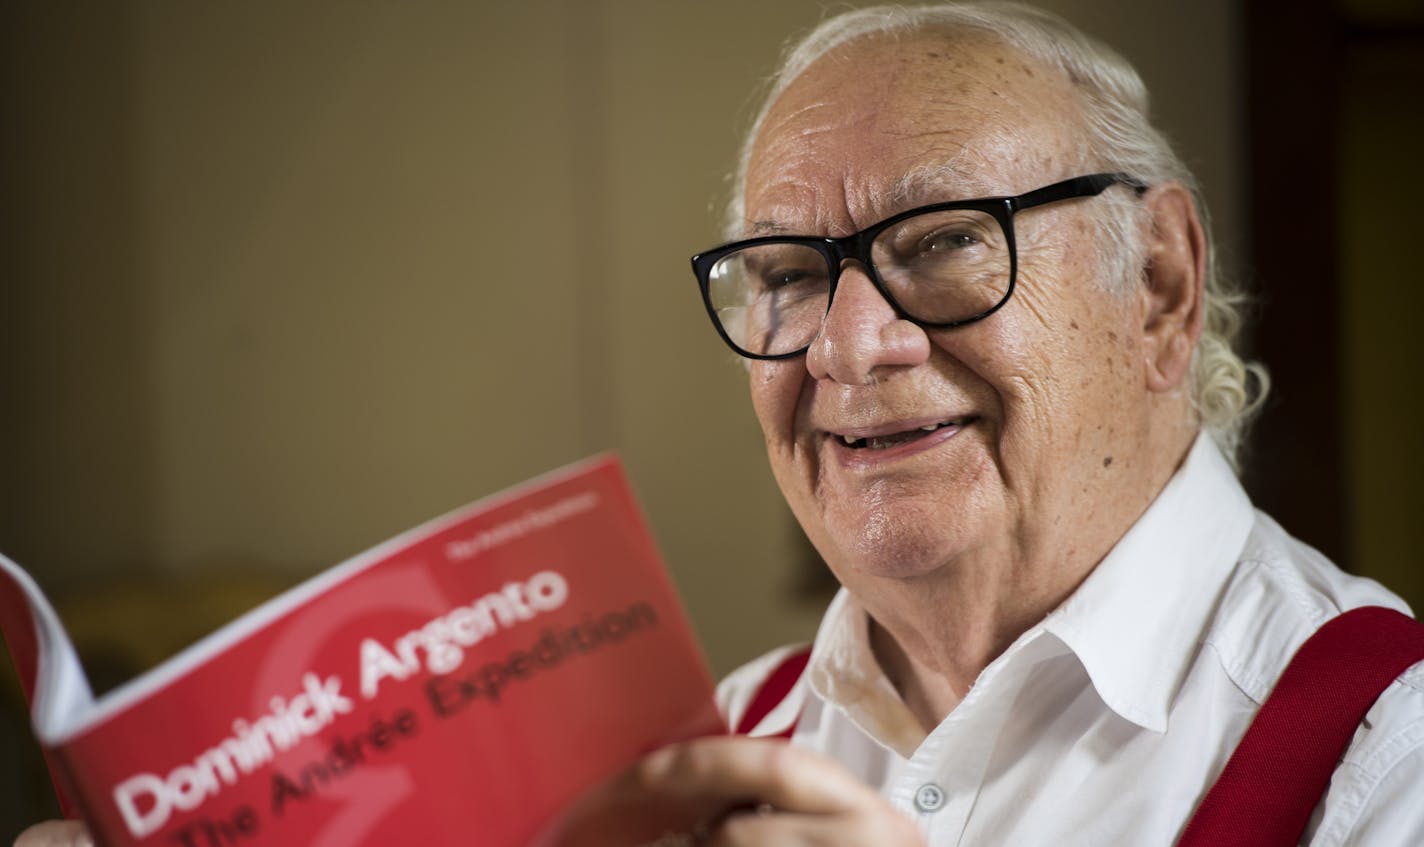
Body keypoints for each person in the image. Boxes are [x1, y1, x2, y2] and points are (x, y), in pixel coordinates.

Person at [15, 3, 1423, 846]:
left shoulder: (1388, 747)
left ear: (1161, 286)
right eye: (793, 276)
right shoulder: (692, 747)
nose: (848, 347)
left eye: (942, 242)